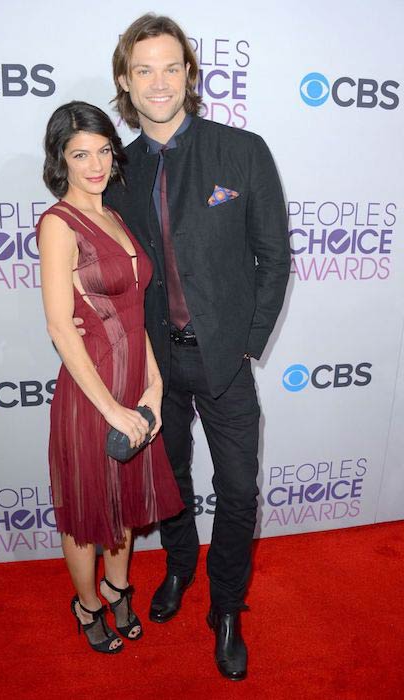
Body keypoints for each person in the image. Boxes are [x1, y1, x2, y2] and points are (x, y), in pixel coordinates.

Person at [88, 13, 291, 680]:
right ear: (125, 80)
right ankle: (178, 569)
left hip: (224, 358)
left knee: (237, 490)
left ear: (189, 75)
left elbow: (273, 256)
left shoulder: (242, 150)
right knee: (169, 483)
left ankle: (227, 606)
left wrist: (247, 343)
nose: (158, 81)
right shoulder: (114, 170)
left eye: (170, 66)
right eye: (143, 69)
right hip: (154, 366)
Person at [36, 101, 183, 655]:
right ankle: (88, 605)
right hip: (90, 392)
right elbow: (59, 324)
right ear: (61, 160)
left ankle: (118, 587)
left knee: (122, 504)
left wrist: (154, 388)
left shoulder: (116, 216)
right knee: (87, 514)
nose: (95, 164)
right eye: (80, 154)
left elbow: (134, 310)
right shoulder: (59, 223)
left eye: (102, 151)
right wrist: (111, 409)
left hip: (132, 386)